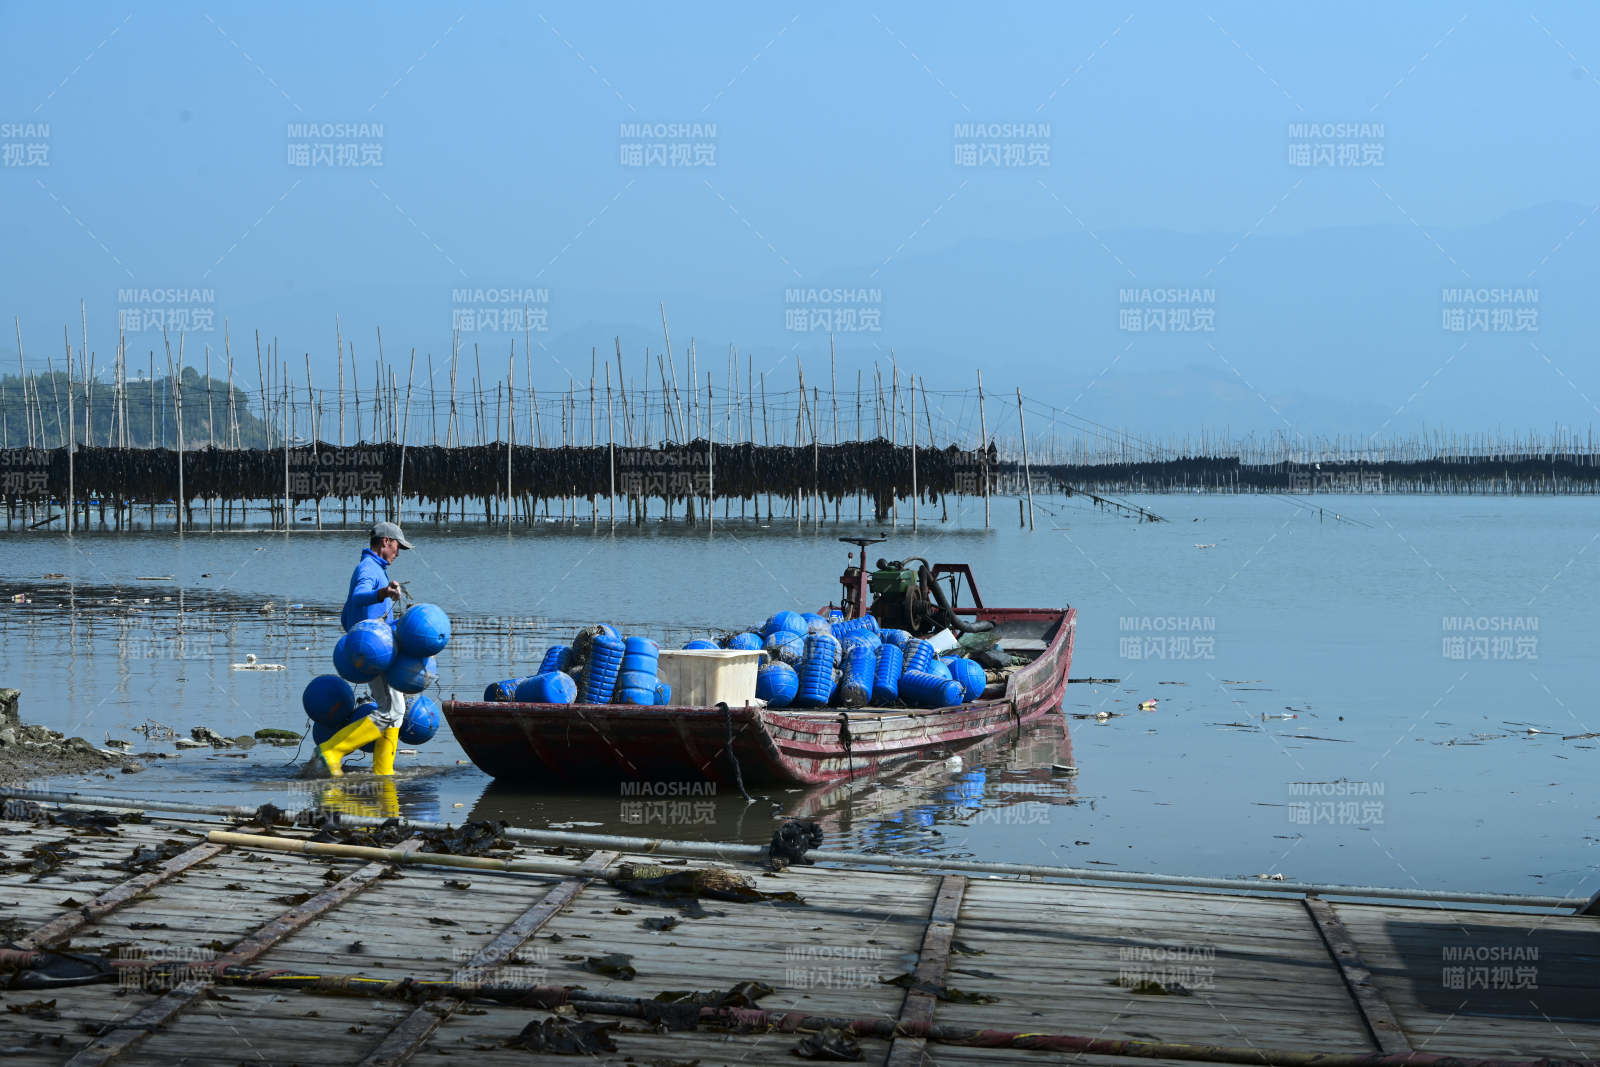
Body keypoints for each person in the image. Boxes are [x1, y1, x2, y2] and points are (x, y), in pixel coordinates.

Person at [318, 520, 411, 776]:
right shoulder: (368, 568)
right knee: (393, 710)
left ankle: (383, 771)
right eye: (398, 546)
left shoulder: (376, 568)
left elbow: (348, 614)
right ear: (386, 542)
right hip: (373, 651)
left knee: (393, 712)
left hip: (376, 649)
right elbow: (359, 596)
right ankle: (332, 750)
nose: (398, 552)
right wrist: (381, 593)